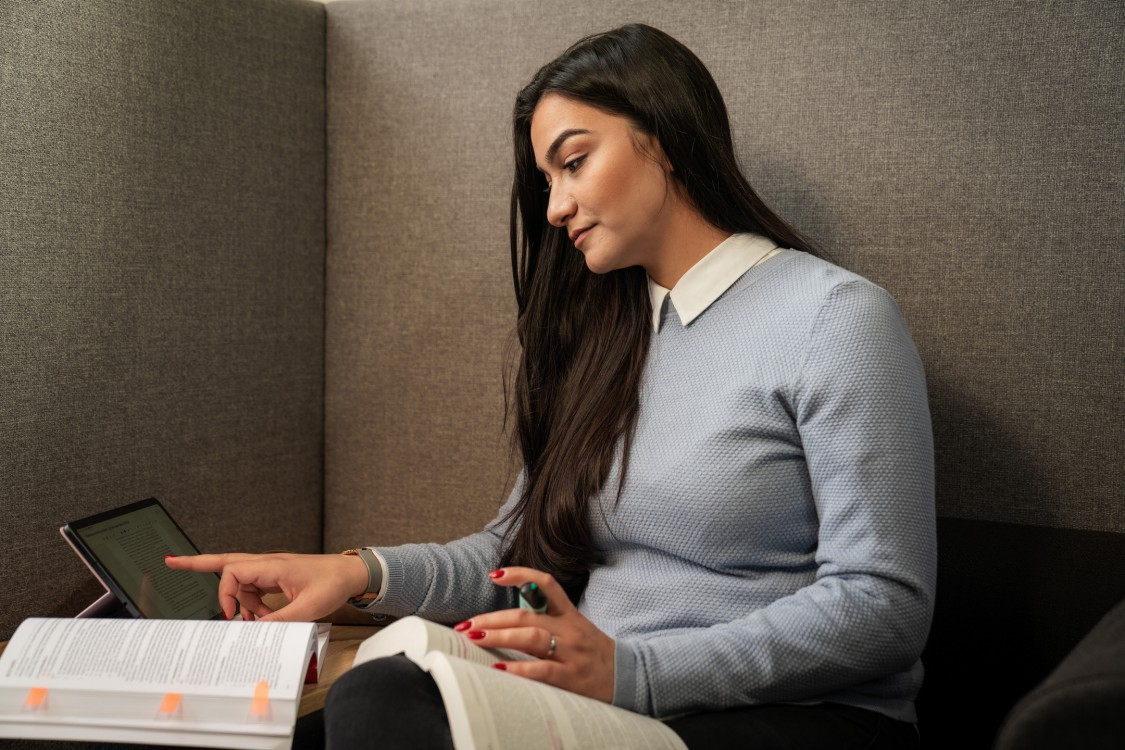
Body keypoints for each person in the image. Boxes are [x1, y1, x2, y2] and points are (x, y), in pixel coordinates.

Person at [167, 23, 935, 749]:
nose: (555, 206)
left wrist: (631, 672)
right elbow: (517, 559)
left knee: (380, 705)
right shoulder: (609, 335)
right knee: (286, 732)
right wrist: (356, 572)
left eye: (573, 163)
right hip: (606, 703)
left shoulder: (833, 318)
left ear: (662, 138)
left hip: (791, 720)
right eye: (545, 179)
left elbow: (882, 607)